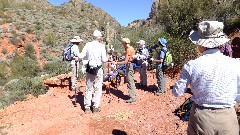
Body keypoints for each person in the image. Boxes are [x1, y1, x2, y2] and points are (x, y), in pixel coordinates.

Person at [172, 21, 240, 135]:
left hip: (201, 117)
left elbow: (177, 92)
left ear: (201, 44)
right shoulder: (236, 64)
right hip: (228, 117)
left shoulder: (191, 65)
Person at [78, 30, 108, 114]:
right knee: (98, 88)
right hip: (98, 69)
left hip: (89, 69)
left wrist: (77, 58)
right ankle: (95, 107)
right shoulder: (101, 46)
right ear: (99, 37)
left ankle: (87, 107)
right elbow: (104, 60)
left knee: (88, 87)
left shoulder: (88, 45)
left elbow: (81, 56)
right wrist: (108, 57)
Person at [112, 38, 137, 103]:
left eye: (123, 43)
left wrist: (116, 63)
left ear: (125, 43)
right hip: (130, 65)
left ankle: (132, 97)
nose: (123, 45)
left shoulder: (128, 49)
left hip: (129, 65)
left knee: (130, 81)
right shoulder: (131, 48)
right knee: (130, 80)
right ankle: (133, 95)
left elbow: (125, 61)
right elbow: (125, 59)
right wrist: (117, 61)